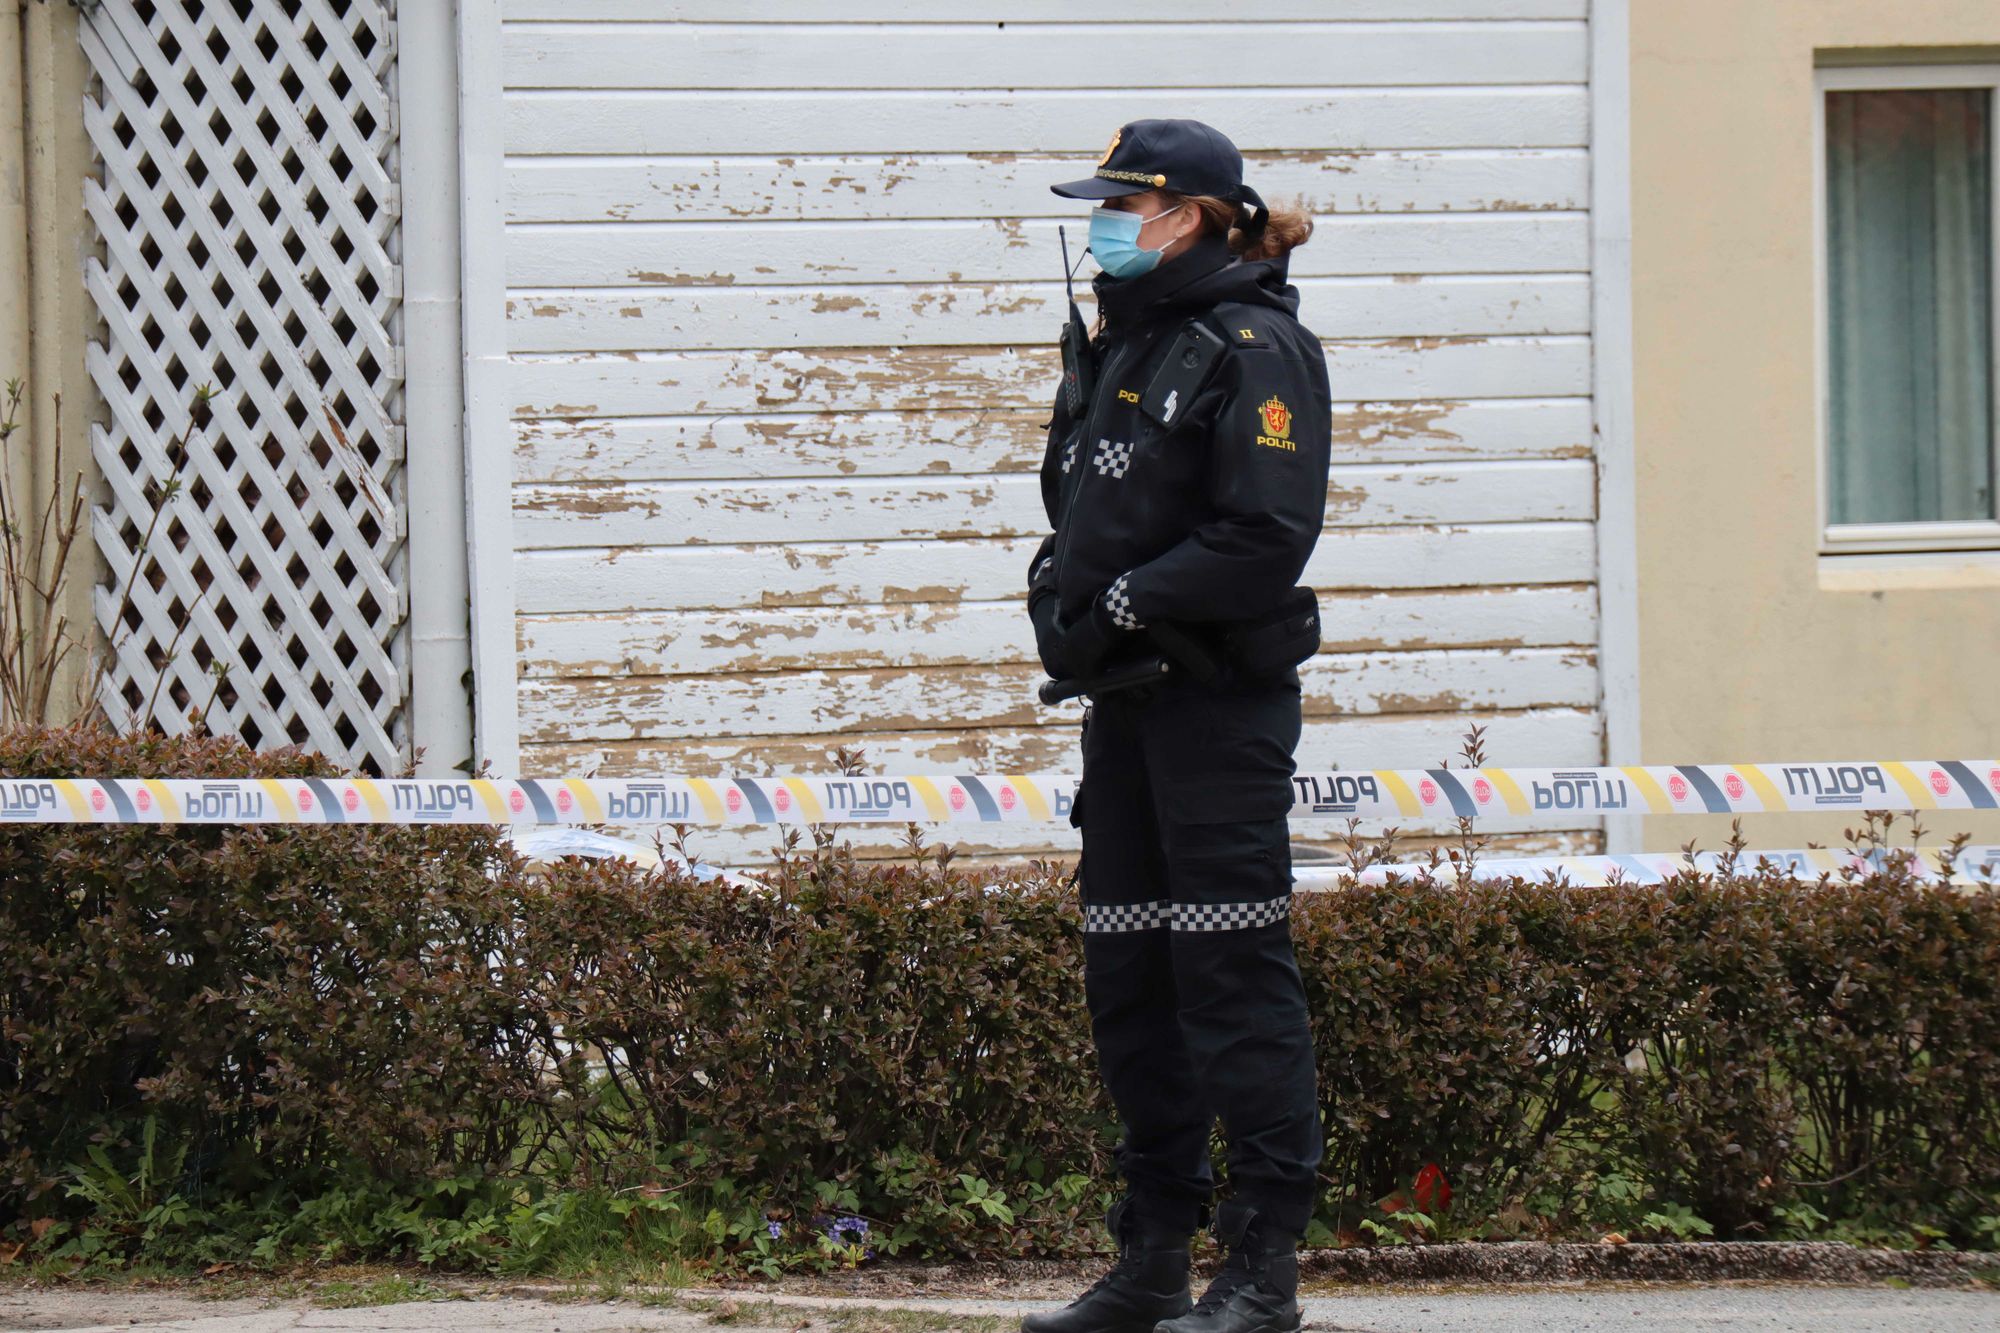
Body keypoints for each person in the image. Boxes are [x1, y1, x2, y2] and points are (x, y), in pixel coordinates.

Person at [1020, 120, 1330, 1333]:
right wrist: (1064, 594)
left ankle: (1259, 1271)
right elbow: (1094, 507)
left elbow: (1263, 535)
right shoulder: (1128, 340)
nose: (1104, 222)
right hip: (1127, 710)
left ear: (1189, 214)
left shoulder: (1249, 345)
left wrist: (1123, 598)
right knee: (1133, 981)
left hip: (1216, 711)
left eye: (1123, 204)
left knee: (1229, 980)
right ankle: (1151, 1256)